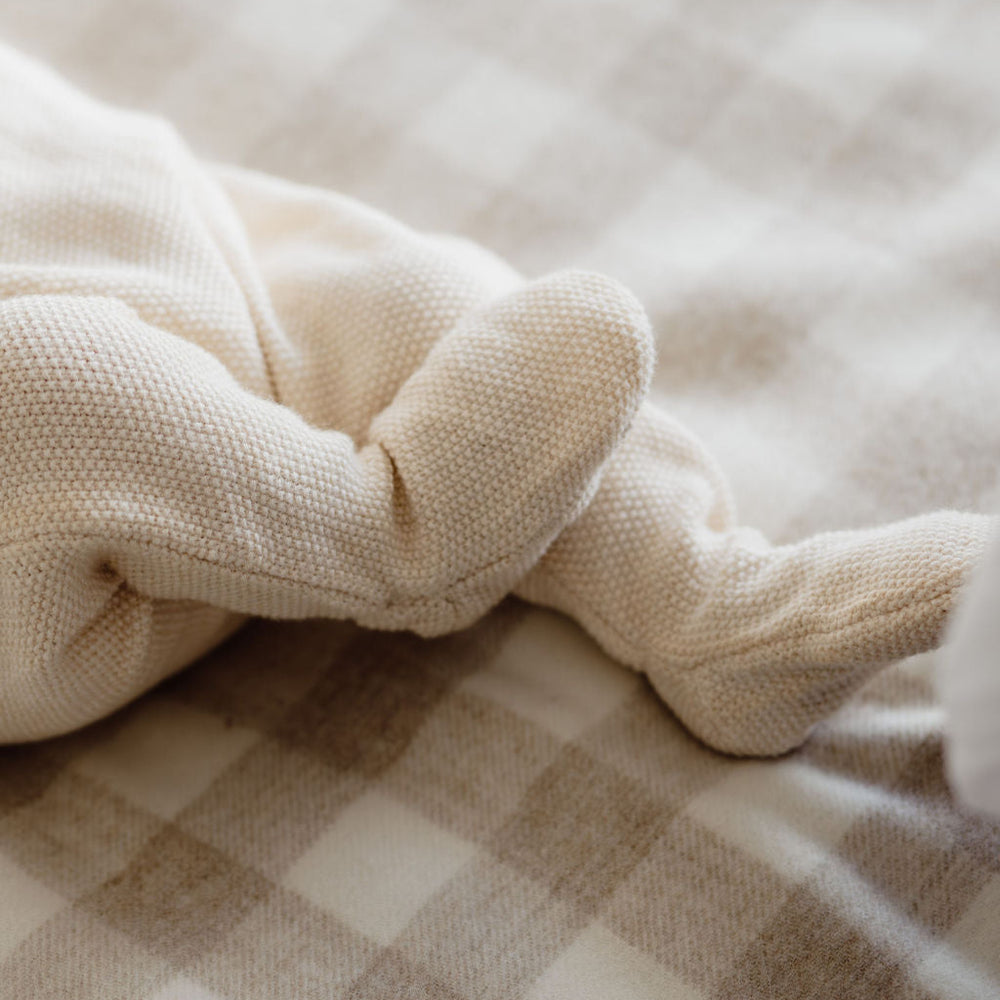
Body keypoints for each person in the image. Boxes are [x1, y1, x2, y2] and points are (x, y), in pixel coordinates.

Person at [1, 43, 991, 754]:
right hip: (42, 562)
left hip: (156, 234)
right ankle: (401, 538)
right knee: (43, 386)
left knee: (438, 320)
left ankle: (713, 607)